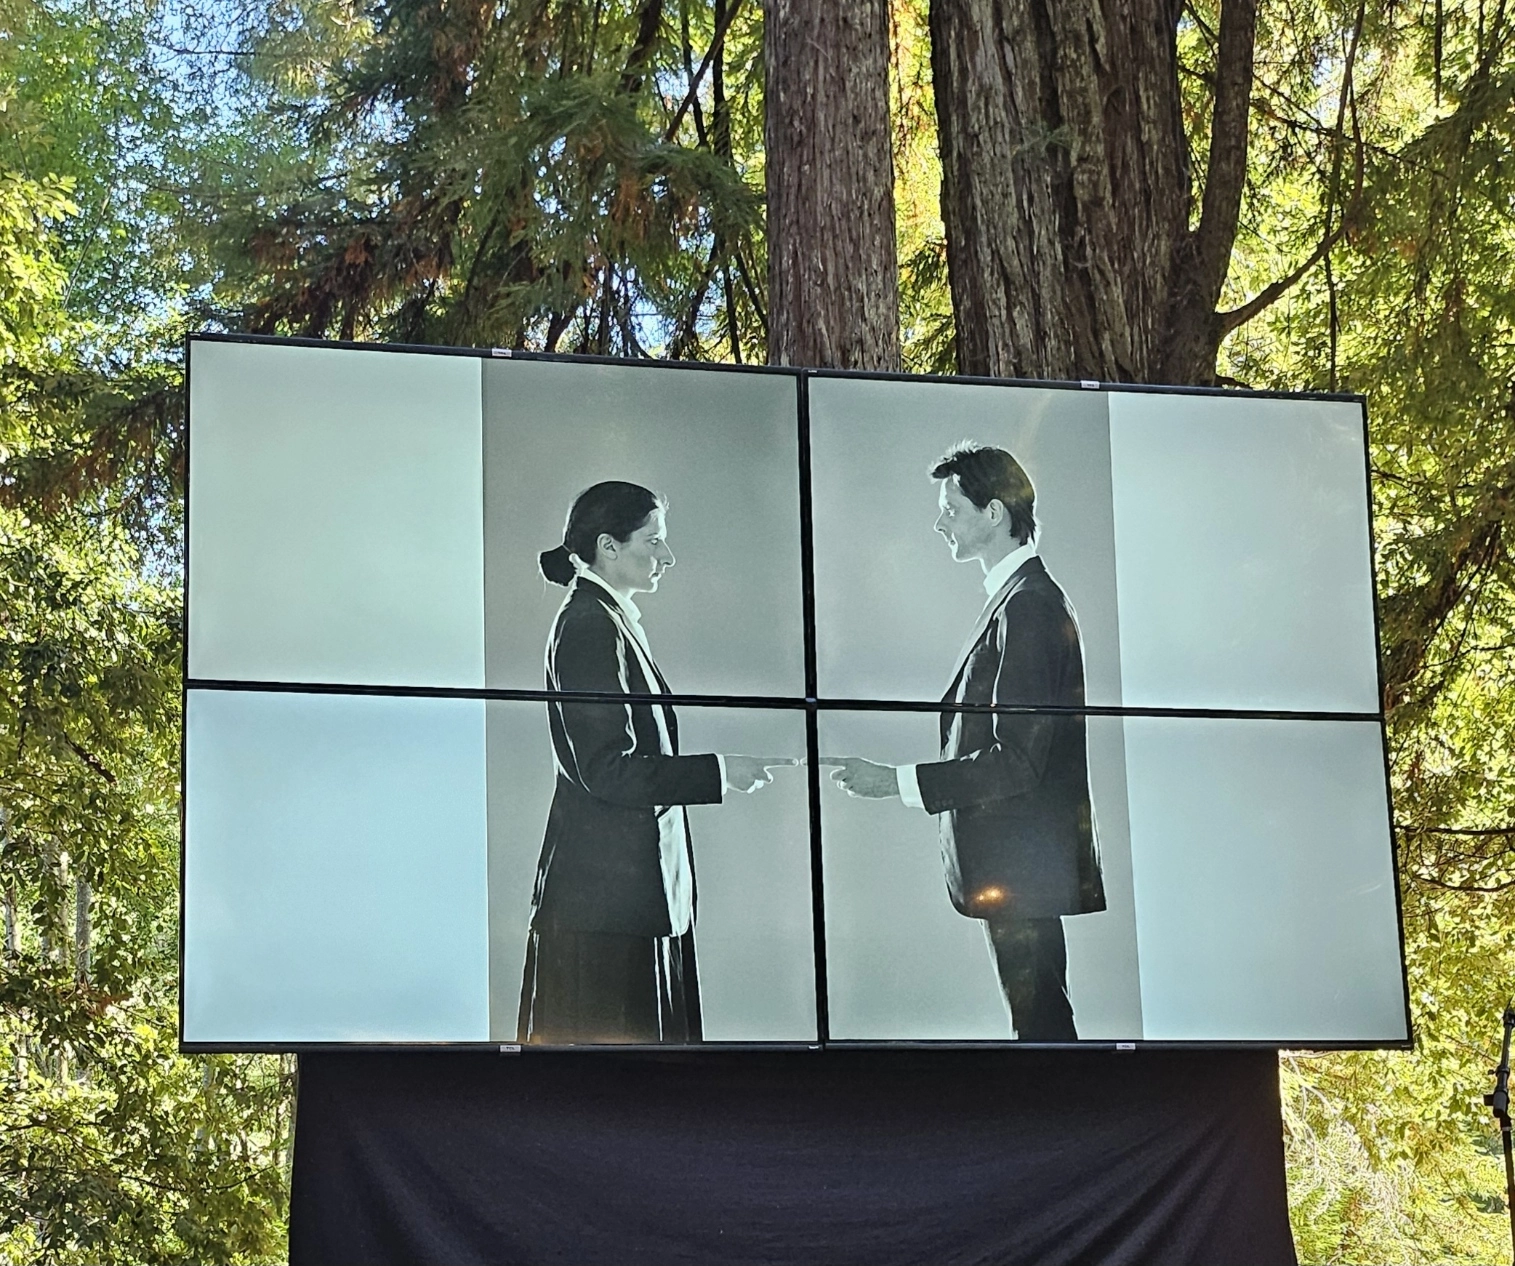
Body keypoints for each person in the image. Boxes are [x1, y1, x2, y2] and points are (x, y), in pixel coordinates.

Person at [823, 443, 1104, 1041]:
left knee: (1043, 1027)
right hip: (1019, 864)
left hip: (1022, 865)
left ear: (995, 513)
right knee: (1041, 1022)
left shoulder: (1028, 607)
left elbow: (1018, 760)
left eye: (951, 508)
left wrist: (894, 781)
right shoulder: (1016, 599)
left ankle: (1059, 1127)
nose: (939, 521)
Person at [518, 480, 795, 1045]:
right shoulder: (589, 625)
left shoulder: (605, 619)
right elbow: (606, 769)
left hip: (626, 906)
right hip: (607, 914)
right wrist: (719, 772)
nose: (667, 556)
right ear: (608, 547)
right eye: (654, 541)